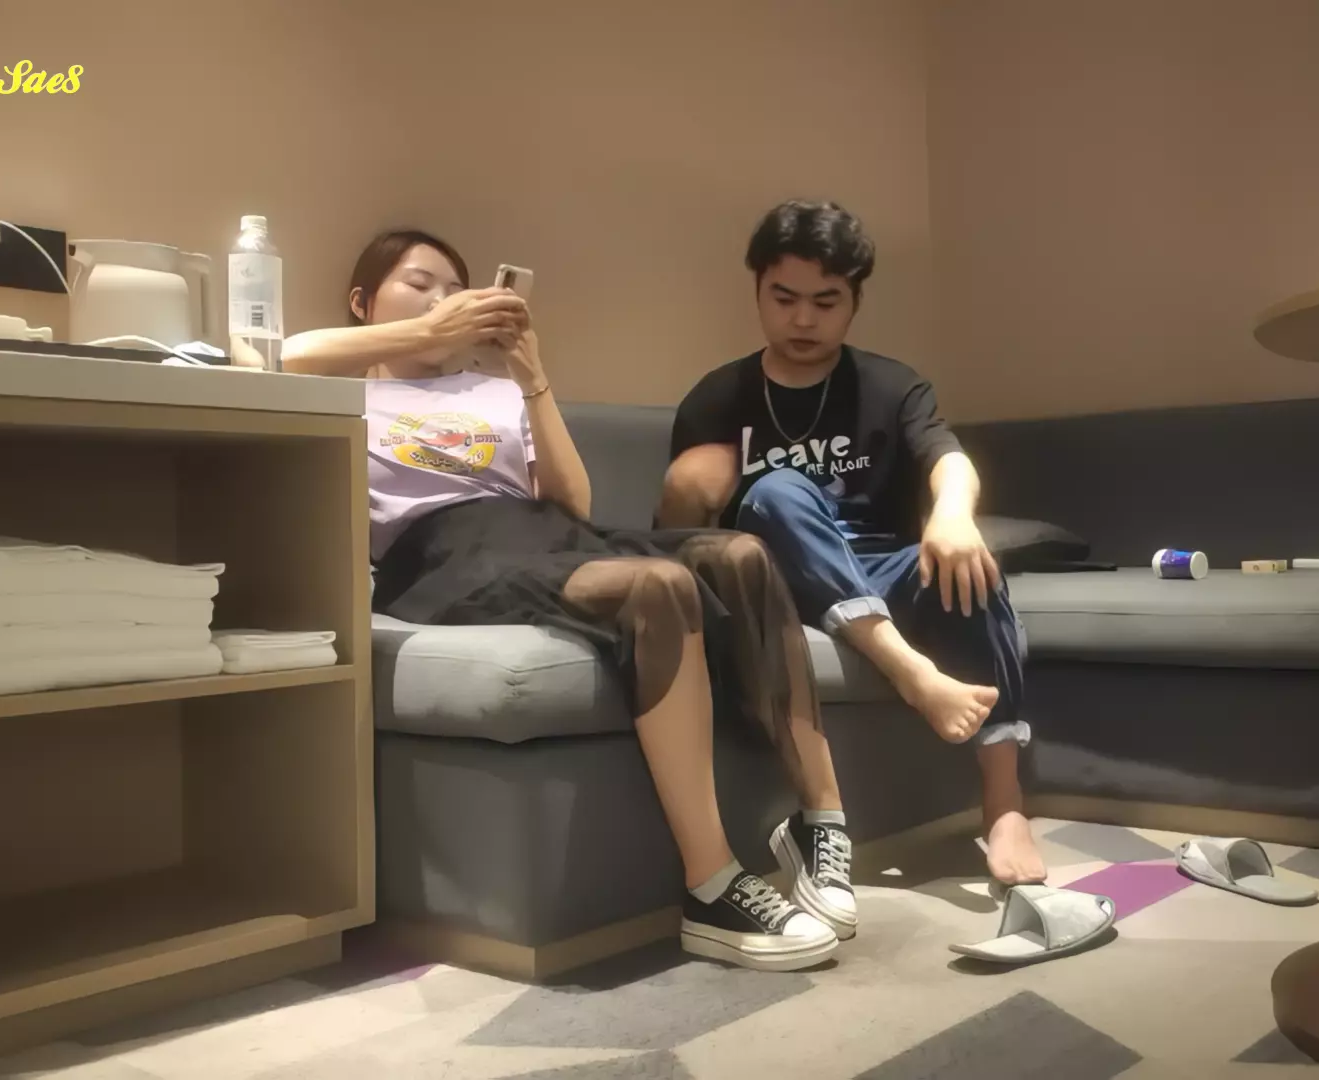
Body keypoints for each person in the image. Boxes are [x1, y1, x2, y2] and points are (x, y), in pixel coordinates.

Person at [284, 229, 857, 971]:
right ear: (363, 302)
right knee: (658, 585)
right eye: (419, 284)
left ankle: (820, 819)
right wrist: (426, 333)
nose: (441, 301)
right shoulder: (340, 389)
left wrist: (532, 376)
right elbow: (275, 354)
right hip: (441, 554)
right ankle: (712, 885)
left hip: (548, 534)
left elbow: (574, 502)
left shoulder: (491, 392)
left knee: (742, 555)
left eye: (454, 290)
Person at [657, 200, 1046, 889]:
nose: (803, 320)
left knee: (974, 568)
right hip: (778, 584)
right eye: (784, 299)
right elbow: (677, 546)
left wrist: (953, 515)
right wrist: (685, 492)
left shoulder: (891, 385)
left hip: (879, 569)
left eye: (825, 301)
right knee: (777, 490)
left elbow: (948, 459)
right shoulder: (717, 399)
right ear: (758, 292)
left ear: (855, 301)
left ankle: (1005, 805)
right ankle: (910, 672)